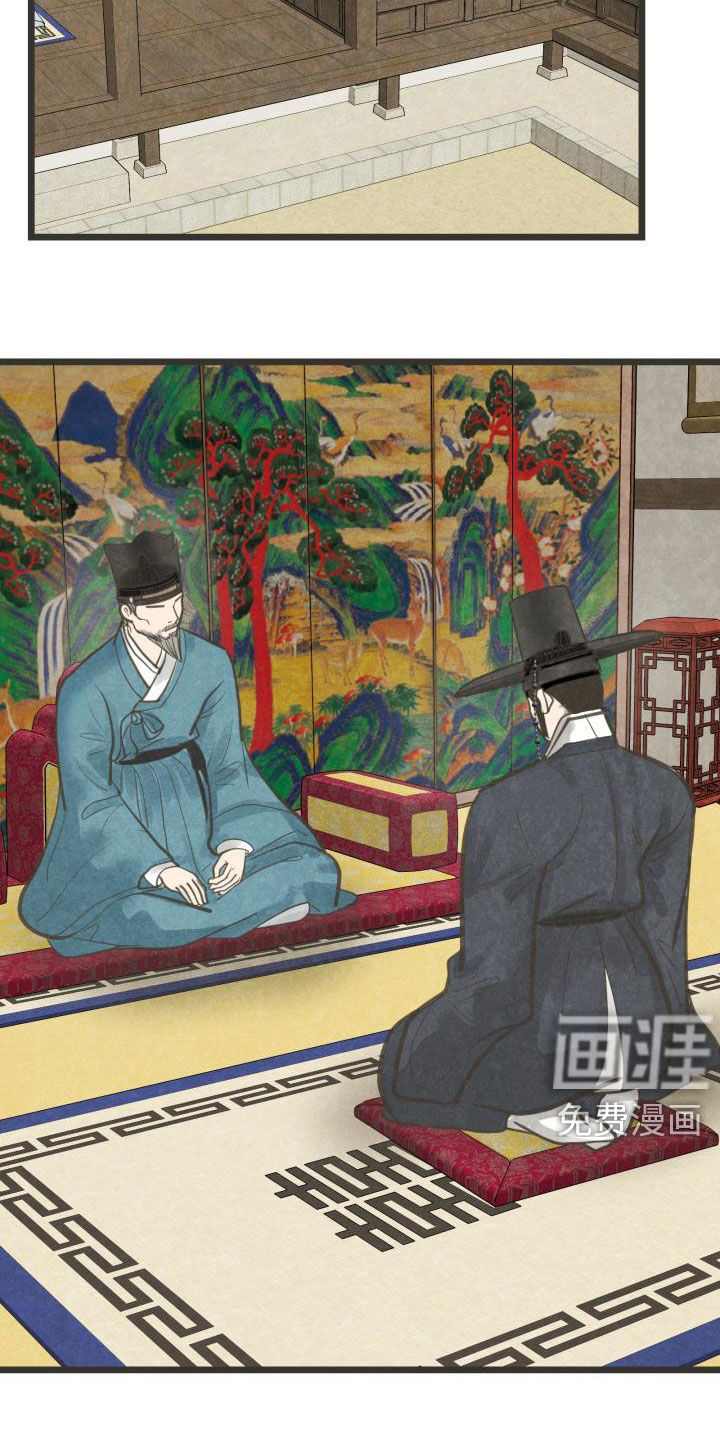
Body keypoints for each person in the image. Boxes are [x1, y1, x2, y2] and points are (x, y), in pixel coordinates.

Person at [379, 584, 720, 1148]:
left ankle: (538, 1107)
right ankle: (628, 1082)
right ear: (596, 690)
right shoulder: (665, 788)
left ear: (540, 703)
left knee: (404, 1059)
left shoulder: (508, 802)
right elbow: (665, 932)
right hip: (646, 1022)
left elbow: (495, 965)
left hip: (556, 1027)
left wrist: (448, 1023)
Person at [20, 530, 355, 956]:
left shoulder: (209, 664)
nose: (171, 615)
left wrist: (235, 845)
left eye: (176, 601)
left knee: (312, 868)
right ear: (129, 612)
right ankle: (227, 908)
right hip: (122, 828)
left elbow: (227, 764)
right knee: (143, 911)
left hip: (200, 819)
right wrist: (158, 868)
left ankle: (218, 909)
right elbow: (91, 796)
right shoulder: (86, 686)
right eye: (156, 607)